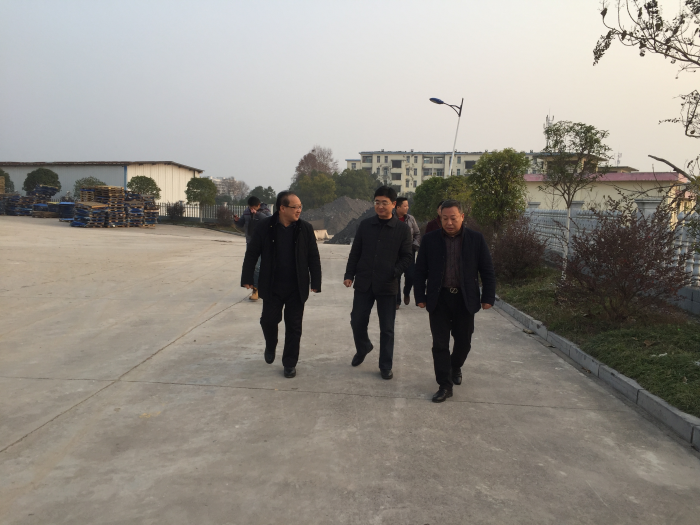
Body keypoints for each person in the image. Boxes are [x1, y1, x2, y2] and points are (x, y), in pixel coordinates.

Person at [414, 199, 496, 403]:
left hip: (464, 299)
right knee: (440, 344)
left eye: (453, 218)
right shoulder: (430, 239)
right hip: (439, 298)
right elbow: (420, 270)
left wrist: (488, 297)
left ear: (462, 217)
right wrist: (420, 296)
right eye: (445, 219)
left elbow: (487, 270)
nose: (449, 223)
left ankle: (455, 366)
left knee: (464, 341)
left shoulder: (476, 239)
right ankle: (444, 385)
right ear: (440, 218)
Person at [241, 191, 322, 378]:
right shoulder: (265, 227)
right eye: (295, 207)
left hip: (296, 286)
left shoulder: (305, 228)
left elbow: (313, 256)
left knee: (294, 327)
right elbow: (252, 253)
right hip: (272, 285)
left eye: (300, 206)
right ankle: (271, 345)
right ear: (282, 208)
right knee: (268, 321)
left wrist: (316, 281)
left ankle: (290, 363)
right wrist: (247, 278)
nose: (299, 210)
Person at [343, 186, 413, 380]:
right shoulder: (365, 225)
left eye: (384, 203)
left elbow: (407, 257)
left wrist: (394, 272)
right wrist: (349, 274)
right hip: (364, 282)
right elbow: (355, 252)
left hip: (387, 285)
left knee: (387, 328)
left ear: (394, 204)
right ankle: (363, 346)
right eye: (377, 202)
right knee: (357, 320)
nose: (380, 206)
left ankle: (385, 365)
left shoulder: (402, 229)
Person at [234, 196, 272, 301]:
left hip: (263, 243)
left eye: (254, 208)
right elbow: (242, 223)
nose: (252, 210)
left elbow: (270, 222)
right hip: (250, 242)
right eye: (250, 208)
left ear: (259, 205)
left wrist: (257, 214)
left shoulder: (265, 211)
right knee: (252, 266)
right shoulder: (247, 212)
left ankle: (258, 289)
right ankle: (256, 289)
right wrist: (237, 221)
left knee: (258, 266)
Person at [394, 197, 421, 309]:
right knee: (396, 276)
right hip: (395, 253)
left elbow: (417, 234)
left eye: (407, 206)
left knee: (411, 275)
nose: (407, 208)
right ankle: (397, 301)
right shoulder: (391, 219)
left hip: (409, 252)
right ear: (397, 207)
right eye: (405, 206)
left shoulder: (411, 219)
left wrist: (414, 245)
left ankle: (406, 292)